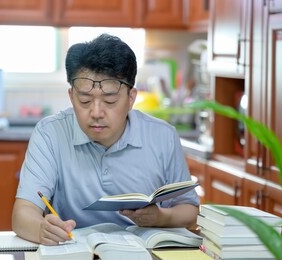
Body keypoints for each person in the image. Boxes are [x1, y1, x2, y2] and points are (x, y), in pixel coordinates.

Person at [12, 33, 199, 245]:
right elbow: (23, 213)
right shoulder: (50, 133)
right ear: (71, 96)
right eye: (85, 100)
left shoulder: (162, 136)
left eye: (109, 100)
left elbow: (190, 210)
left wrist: (161, 218)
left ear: (131, 98)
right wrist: (41, 229)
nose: (96, 112)